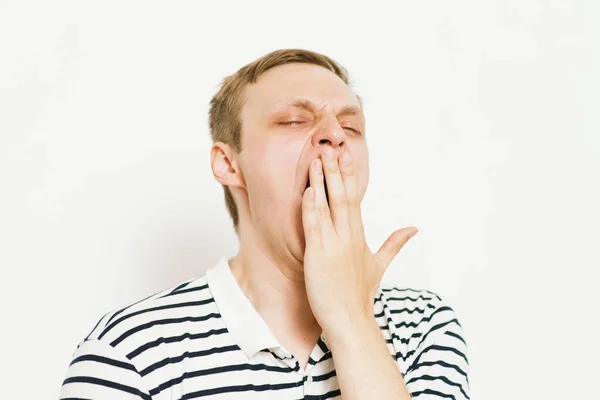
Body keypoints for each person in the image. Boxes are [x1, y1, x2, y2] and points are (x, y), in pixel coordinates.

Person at [59, 48, 470, 399]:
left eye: (351, 126)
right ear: (228, 163)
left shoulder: (421, 325)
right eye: (294, 121)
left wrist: (351, 319)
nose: (333, 135)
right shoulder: (129, 351)